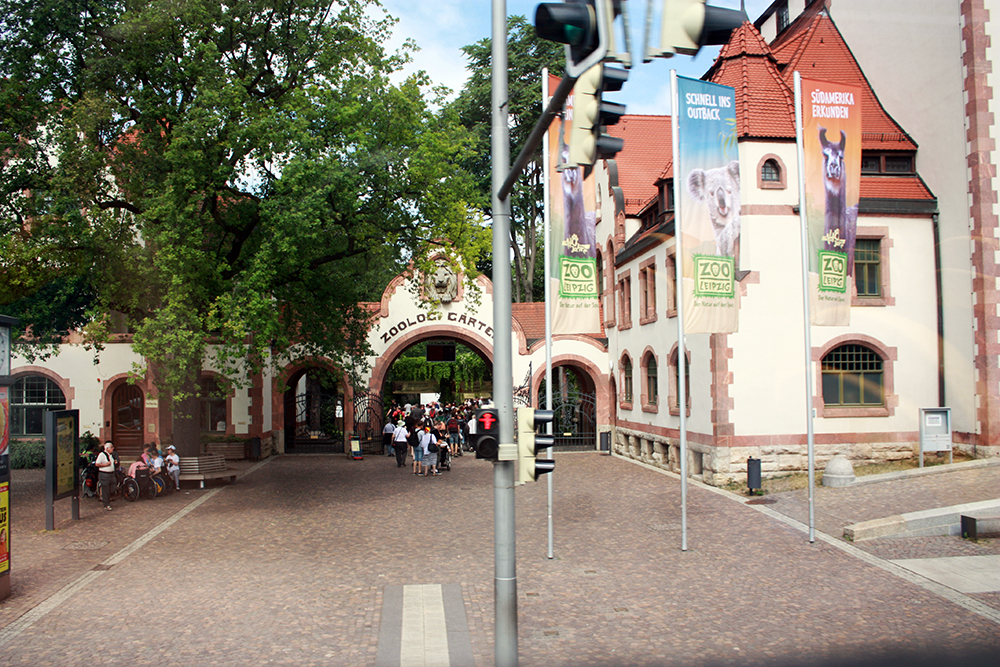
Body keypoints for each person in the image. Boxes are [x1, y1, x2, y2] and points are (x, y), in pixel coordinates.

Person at [95, 441, 117, 510]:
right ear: (107, 448)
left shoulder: (111, 455)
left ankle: (108, 499)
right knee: (105, 489)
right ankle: (106, 504)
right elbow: (97, 464)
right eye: (111, 447)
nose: (113, 449)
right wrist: (105, 465)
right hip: (104, 474)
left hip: (111, 474)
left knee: (113, 487)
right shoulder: (102, 455)